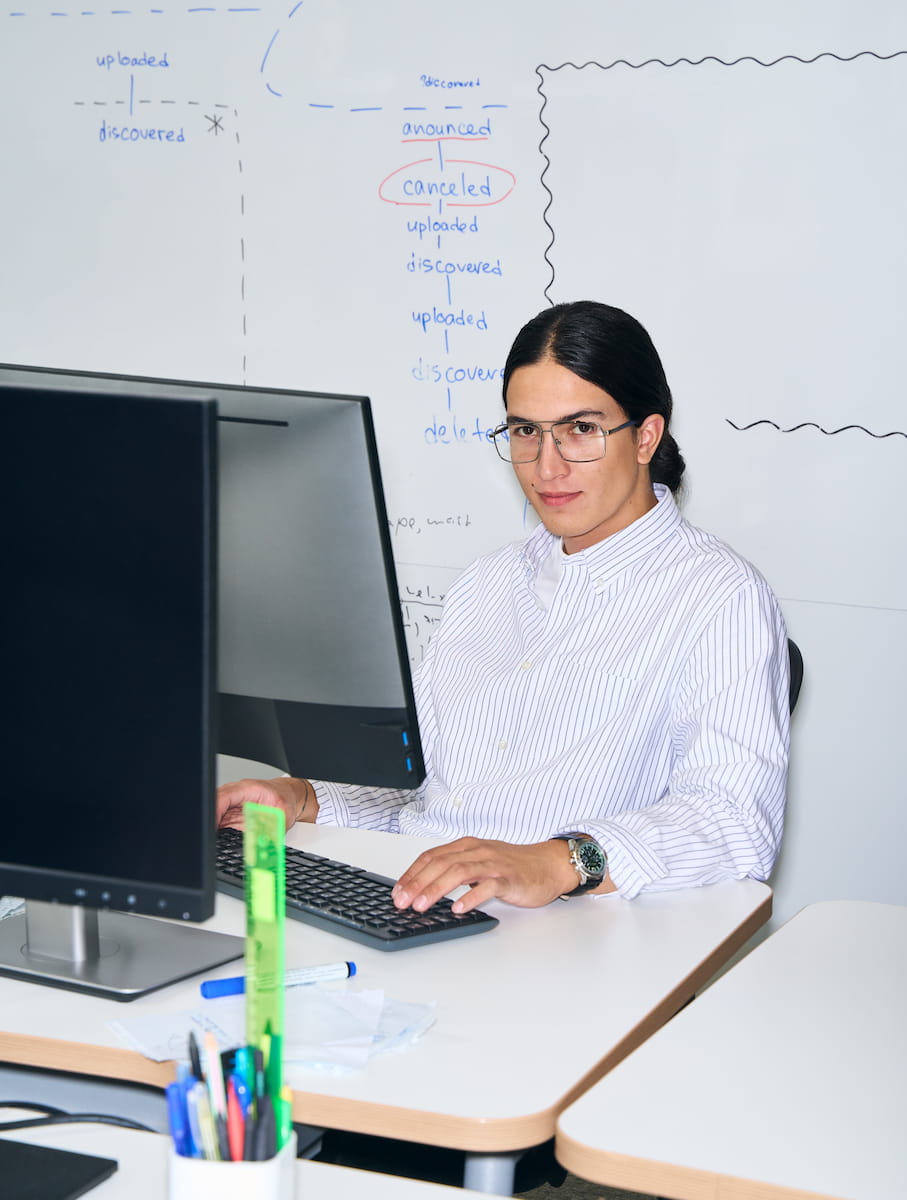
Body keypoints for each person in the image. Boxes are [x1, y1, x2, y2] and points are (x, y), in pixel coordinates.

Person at [217, 300, 790, 914]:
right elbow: (434, 802)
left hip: (566, 936)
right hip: (426, 904)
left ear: (646, 436)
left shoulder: (720, 596)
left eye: (581, 429)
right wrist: (304, 797)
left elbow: (735, 822)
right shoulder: (486, 583)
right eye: (525, 431)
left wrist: (561, 859)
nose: (547, 466)